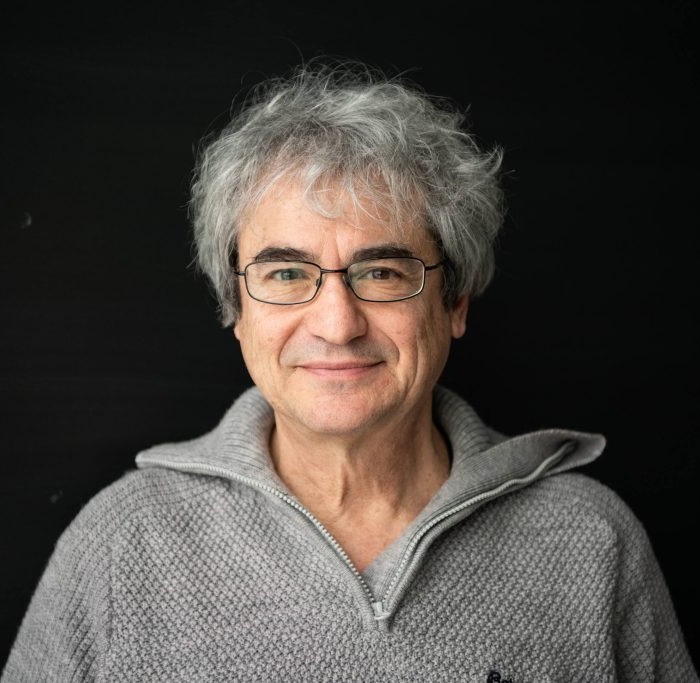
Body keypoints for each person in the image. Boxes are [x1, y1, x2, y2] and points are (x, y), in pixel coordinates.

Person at [2, 58, 697, 683]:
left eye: (382, 272)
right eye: (285, 273)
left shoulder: (591, 542)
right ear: (235, 307)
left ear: (455, 301)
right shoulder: (119, 543)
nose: (337, 324)